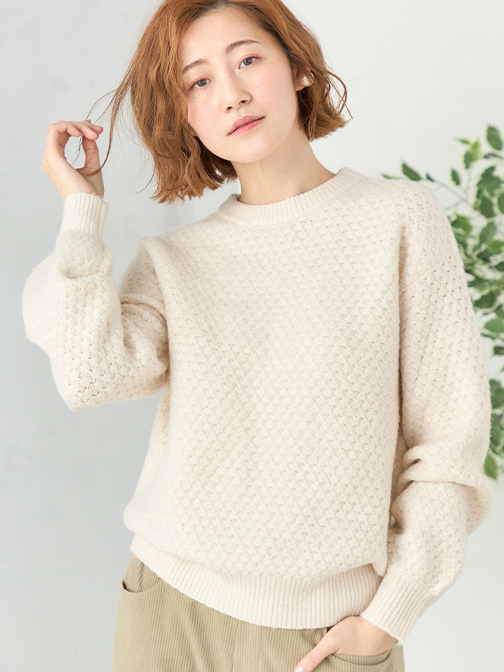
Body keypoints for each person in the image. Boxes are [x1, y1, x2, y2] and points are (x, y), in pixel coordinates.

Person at [22, 1, 494, 671]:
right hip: (167, 607)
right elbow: (89, 376)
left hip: (323, 630)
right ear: (184, 114)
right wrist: (81, 210)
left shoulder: (398, 219)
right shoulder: (174, 260)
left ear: (298, 67)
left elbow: (449, 442)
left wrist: (391, 614)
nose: (232, 94)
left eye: (247, 60)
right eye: (198, 81)